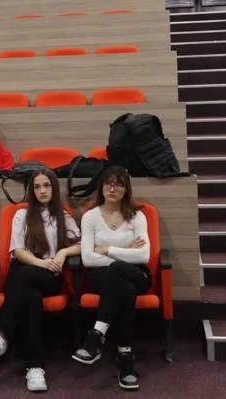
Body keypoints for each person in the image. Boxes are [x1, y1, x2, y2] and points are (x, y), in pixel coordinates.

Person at [0, 168, 81, 391]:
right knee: (30, 297)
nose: (42, 191)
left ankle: (1, 334)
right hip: (32, 269)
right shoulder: (22, 215)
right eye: (37, 187)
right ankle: (35, 368)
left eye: (47, 186)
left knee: (23, 275)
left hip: (50, 277)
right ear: (31, 190)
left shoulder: (63, 215)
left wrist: (62, 253)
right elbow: (18, 251)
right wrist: (41, 262)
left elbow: (81, 244)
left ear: (54, 188)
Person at [75, 165, 150, 391]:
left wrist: (107, 249)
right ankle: (125, 354)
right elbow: (87, 259)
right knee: (124, 288)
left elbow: (145, 254)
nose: (112, 188)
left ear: (126, 189)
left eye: (119, 184)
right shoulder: (90, 216)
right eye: (108, 183)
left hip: (140, 275)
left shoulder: (137, 216)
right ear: (102, 187)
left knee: (121, 274)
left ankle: (97, 335)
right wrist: (127, 253)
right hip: (103, 277)